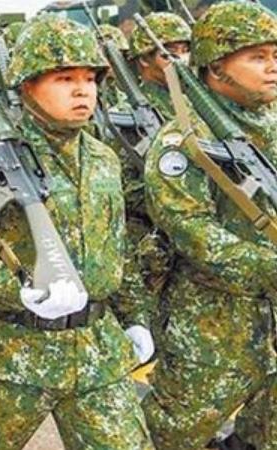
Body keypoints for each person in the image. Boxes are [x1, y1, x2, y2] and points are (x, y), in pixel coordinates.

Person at [0, 14, 154, 449]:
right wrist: (17, 290)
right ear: (27, 87)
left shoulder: (103, 158)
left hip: (96, 351)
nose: (82, 90)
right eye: (64, 78)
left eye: (89, 79)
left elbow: (117, 245)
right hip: (14, 353)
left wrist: (135, 318)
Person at [141, 2, 277, 449]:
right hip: (211, 328)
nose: (272, 66)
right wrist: (270, 265)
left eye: (275, 55)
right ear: (216, 66)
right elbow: (192, 231)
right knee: (178, 435)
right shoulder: (183, 141)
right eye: (257, 57)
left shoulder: (272, 123)